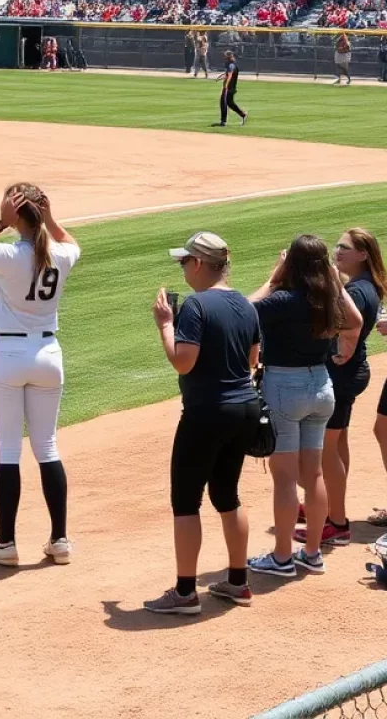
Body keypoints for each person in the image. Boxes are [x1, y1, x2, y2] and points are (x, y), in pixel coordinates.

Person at [0, 184, 80, 567]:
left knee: (9, 449)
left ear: (16, 214)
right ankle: (59, 540)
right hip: (48, 355)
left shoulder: (8, 253)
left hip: (7, 355)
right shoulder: (60, 254)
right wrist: (50, 217)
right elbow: (70, 241)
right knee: (47, 447)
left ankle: (6, 543)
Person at [145, 232, 261, 615]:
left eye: (184, 262)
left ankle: (184, 593)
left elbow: (183, 362)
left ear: (198, 264)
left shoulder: (195, 307)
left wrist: (165, 324)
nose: (182, 269)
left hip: (206, 414)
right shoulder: (246, 304)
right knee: (227, 495)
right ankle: (239, 582)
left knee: (185, 500)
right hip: (243, 409)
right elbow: (250, 361)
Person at [247, 237, 363, 579]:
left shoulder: (282, 299)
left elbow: (241, 310)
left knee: (284, 478)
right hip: (321, 387)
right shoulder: (327, 300)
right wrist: (331, 280)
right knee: (313, 475)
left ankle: (282, 558)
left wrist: (273, 277)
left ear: (292, 264)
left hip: (286, 388)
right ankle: (311, 554)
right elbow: (355, 321)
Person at [295, 229, 385, 545]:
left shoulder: (358, 292)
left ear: (363, 254)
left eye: (344, 248)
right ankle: (330, 503)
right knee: (337, 442)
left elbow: (340, 327)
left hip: (342, 373)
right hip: (350, 372)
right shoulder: (362, 286)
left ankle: (337, 521)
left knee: (327, 451)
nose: (337, 251)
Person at [213, 50, 247, 128]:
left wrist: (226, 86)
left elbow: (230, 75)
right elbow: (227, 75)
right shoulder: (230, 65)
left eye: (225, 56)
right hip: (231, 87)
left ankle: (223, 121)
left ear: (228, 57)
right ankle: (243, 114)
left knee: (223, 102)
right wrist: (221, 78)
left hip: (229, 88)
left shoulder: (231, 65)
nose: (224, 58)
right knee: (230, 103)